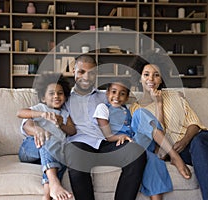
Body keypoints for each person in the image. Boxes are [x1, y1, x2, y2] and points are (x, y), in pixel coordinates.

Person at [129, 52, 208, 200]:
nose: (151, 79)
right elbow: (159, 135)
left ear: (161, 78)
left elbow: (194, 124)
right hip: (185, 153)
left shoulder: (174, 96)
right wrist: (158, 104)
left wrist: (185, 141)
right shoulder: (136, 109)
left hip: (203, 140)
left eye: (156, 75)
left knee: (199, 143)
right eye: (146, 74)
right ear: (139, 78)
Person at [63, 55, 147, 200]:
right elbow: (44, 113)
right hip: (80, 145)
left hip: (107, 143)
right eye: (81, 72)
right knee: (74, 152)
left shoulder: (107, 96)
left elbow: (128, 110)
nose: (86, 77)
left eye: (91, 73)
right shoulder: (63, 98)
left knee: (137, 153)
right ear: (73, 71)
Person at [93, 80, 191, 200]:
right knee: (150, 158)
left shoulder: (129, 109)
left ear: (127, 97)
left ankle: (166, 151)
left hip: (135, 141)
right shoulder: (103, 107)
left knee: (140, 114)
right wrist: (120, 137)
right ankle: (170, 155)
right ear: (107, 94)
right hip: (120, 145)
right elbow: (107, 135)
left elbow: (144, 126)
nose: (117, 96)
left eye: (122, 93)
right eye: (113, 92)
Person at [17, 73, 75, 200]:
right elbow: (20, 114)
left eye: (60, 93)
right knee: (46, 137)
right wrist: (41, 117)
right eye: (52, 93)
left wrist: (61, 125)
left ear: (65, 97)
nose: (56, 96)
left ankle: (47, 195)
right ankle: (54, 183)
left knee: (60, 154)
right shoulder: (39, 108)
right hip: (29, 149)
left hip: (51, 152)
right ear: (43, 98)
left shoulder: (65, 114)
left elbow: (72, 131)